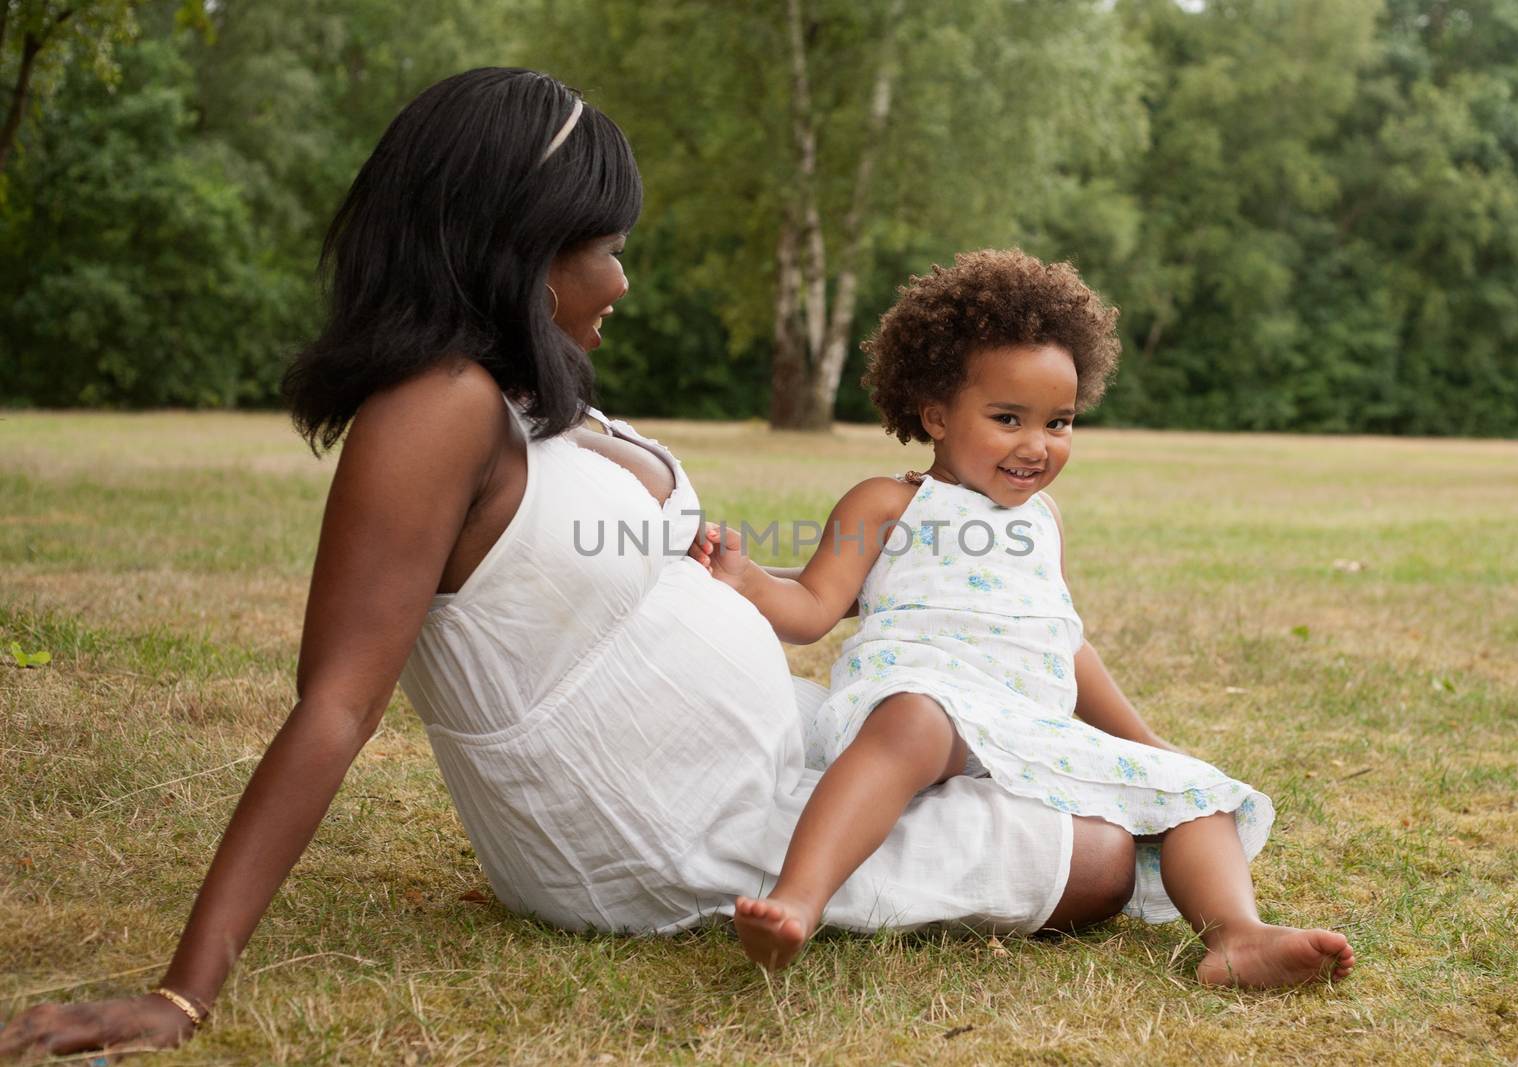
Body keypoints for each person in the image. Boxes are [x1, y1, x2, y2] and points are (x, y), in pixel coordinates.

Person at [0, 71, 1140, 1061]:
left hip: (771, 746)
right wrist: (180, 990)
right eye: (600, 248)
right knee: (1103, 857)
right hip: (669, 831)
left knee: (1048, 759)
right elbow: (336, 703)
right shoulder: (433, 411)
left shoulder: (526, 396)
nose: (620, 283)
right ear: (511, 246)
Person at [697, 250, 1356, 986]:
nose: (1037, 445)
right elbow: (816, 606)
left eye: (1060, 422)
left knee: (1196, 795)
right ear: (937, 414)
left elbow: (1061, 641)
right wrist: (749, 578)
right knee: (914, 720)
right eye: (1008, 418)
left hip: (1028, 726)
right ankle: (796, 900)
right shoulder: (887, 503)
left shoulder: (1043, 519)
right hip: (926, 699)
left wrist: (1150, 746)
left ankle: (1238, 934)